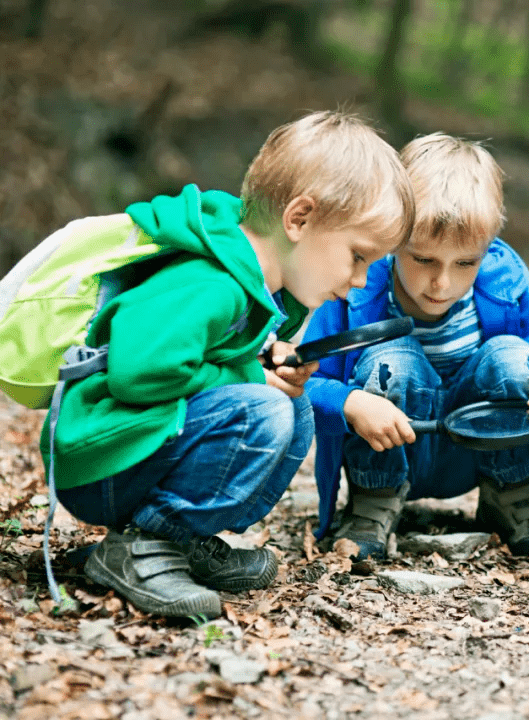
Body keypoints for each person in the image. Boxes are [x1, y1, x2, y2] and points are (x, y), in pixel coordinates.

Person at [45, 111, 415, 618]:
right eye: (358, 256)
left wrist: (261, 361)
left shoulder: (250, 285)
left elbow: (207, 360)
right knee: (264, 410)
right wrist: (250, 375)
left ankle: (179, 539)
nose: (360, 280)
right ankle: (142, 546)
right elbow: (139, 373)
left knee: (294, 409)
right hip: (102, 461)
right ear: (299, 219)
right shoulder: (211, 283)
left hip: (134, 451)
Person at [305, 133, 529, 561]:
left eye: (465, 262)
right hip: (389, 446)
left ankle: (509, 493)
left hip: (475, 449)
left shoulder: (503, 288)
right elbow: (306, 383)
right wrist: (351, 403)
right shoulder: (356, 291)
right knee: (393, 358)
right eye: (424, 259)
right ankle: (374, 502)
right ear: (394, 238)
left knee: (513, 356)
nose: (442, 283)